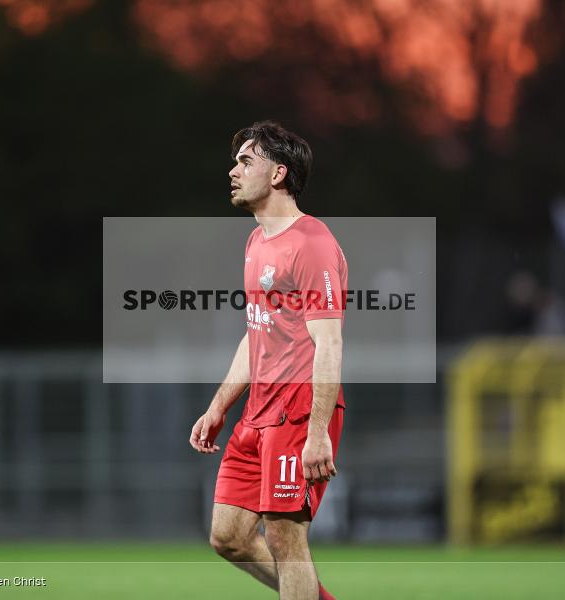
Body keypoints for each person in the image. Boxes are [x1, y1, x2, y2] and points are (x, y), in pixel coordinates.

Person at [189, 121, 346, 600]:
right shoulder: (257, 242)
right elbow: (256, 332)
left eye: (245, 161)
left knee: (285, 537)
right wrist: (219, 406)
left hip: (297, 411)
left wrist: (317, 431)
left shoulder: (312, 242)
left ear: (278, 174)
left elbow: (330, 344)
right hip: (258, 411)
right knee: (230, 537)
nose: (232, 170)